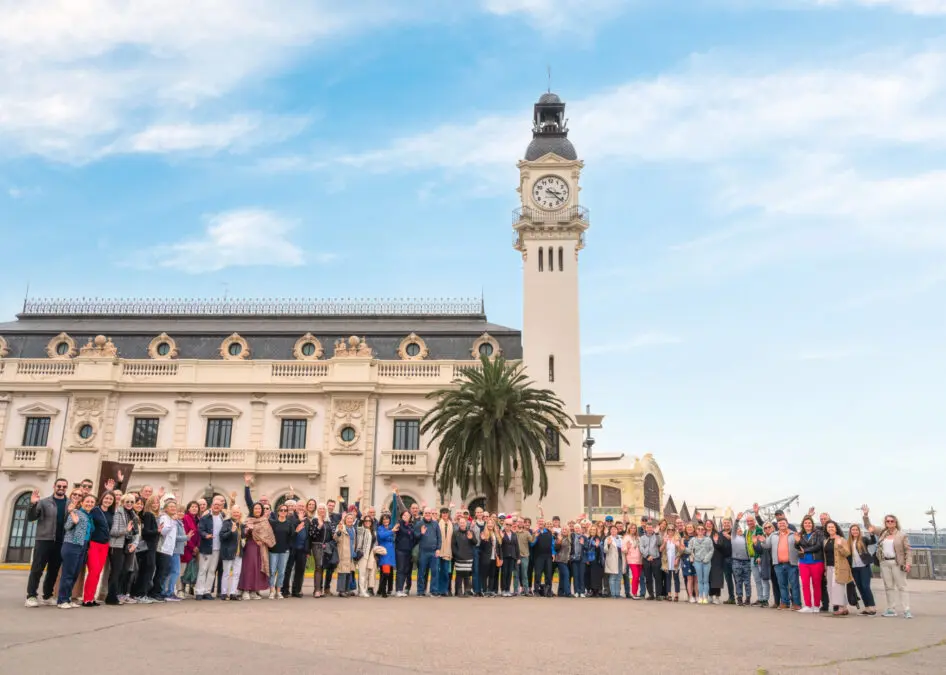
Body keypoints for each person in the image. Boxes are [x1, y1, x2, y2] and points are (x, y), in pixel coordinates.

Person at [25, 478, 70, 607]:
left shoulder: (69, 503)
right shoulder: (44, 502)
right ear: (54, 486)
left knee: (53, 570)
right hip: (44, 540)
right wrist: (33, 504)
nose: (61, 488)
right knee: (37, 569)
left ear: (66, 488)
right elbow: (31, 517)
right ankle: (31, 596)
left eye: (64, 486)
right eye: (59, 486)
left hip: (60, 542)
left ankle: (47, 595)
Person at [862, 505, 912, 618]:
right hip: (884, 563)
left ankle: (906, 609)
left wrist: (908, 563)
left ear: (895, 522)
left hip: (897, 563)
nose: (889, 522)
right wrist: (865, 515)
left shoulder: (901, 535)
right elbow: (869, 527)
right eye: (887, 521)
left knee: (902, 586)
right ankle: (891, 609)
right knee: (888, 586)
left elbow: (908, 550)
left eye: (892, 521)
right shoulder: (882, 532)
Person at [56, 492, 94, 609]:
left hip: (82, 546)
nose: (89, 503)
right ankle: (62, 600)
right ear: (82, 503)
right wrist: (73, 519)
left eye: (92, 502)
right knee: (68, 574)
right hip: (72, 544)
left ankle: (68, 598)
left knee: (74, 573)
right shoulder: (76, 512)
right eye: (87, 501)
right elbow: (67, 527)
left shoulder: (89, 516)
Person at [760, 518, 801, 610]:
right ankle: (785, 603)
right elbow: (767, 546)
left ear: (787, 524)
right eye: (779, 523)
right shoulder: (773, 535)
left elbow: (800, 545)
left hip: (791, 563)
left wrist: (798, 541)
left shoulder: (793, 534)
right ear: (777, 525)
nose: (781, 525)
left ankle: (797, 604)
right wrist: (763, 541)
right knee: (782, 585)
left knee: (794, 585)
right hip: (778, 564)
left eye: (783, 523)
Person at [106, 493, 140, 605]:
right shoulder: (118, 513)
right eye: (127, 502)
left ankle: (118, 595)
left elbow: (136, 533)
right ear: (122, 502)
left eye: (132, 502)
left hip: (129, 546)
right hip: (117, 546)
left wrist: (134, 544)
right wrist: (125, 530)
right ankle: (111, 597)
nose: (129, 504)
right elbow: (112, 532)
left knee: (124, 572)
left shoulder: (134, 515)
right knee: (116, 572)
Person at [82, 491, 114, 607]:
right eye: (106, 498)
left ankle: (92, 598)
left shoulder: (111, 513)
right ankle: (86, 599)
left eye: (111, 499)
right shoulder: (95, 510)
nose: (108, 501)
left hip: (105, 545)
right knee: (93, 571)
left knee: (97, 573)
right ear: (102, 498)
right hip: (94, 544)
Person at [238, 503, 274, 600]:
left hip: (261, 548)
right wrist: (248, 530)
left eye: (259, 508)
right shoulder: (248, 520)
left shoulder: (265, 521)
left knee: (257, 569)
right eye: (255, 508)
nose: (257, 510)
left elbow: (268, 534)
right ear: (252, 510)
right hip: (250, 546)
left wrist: (262, 540)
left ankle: (254, 591)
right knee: (249, 568)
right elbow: (243, 535)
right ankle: (245, 590)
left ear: (261, 510)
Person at [195, 495, 226, 600]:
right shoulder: (205, 518)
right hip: (206, 547)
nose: (216, 506)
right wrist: (205, 535)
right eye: (215, 505)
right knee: (203, 569)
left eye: (219, 505)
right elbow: (200, 530)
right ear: (211, 506)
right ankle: (199, 591)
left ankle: (207, 591)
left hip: (218, 549)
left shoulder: (223, 518)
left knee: (212, 570)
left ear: (221, 506)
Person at [132, 495, 160, 603]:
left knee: (147, 570)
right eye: (153, 502)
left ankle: (141, 594)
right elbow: (146, 532)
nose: (155, 505)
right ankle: (141, 594)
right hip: (148, 548)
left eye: (157, 502)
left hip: (151, 547)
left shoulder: (150, 515)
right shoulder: (149, 515)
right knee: (147, 571)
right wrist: (157, 531)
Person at [795, 515, 825, 613]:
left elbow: (819, 546)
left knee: (816, 585)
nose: (807, 524)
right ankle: (808, 605)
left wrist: (806, 550)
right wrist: (797, 541)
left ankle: (816, 606)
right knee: (805, 584)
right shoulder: (800, 534)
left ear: (812, 524)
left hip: (816, 562)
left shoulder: (818, 533)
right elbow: (797, 547)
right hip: (803, 562)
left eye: (809, 523)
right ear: (803, 525)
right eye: (805, 523)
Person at [822, 520, 852, 616]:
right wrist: (825, 569)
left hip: (839, 567)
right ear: (826, 529)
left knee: (837, 587)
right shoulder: (826, 541)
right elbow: (825, 556)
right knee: (831, 587)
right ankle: (844, 608)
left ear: (836, 528)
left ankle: (840, 608)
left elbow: (847, 553)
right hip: (829, 567)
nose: (830, 529)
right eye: (828, 527)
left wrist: (840, 546)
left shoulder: (841, 539)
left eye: (832, 527)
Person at [847, 523, 878, 616]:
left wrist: (872, 534)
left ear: (859, 531)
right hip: (854, 568)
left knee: (865, 587)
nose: (855, 531)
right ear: (850, 532)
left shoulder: (863, 539)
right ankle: (867, 608)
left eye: (856, 530)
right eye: (853, 530)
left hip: (864, 567)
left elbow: (873, 541)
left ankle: (872, 607)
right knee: (860, 588)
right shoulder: (848, 542)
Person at [153, 499, 179, 602]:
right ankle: (156, 592)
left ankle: (160, 591)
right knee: (160, 572)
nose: (173, 508)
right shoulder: (164, 517)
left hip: (169, 550)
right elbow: (163, 532)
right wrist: (172, 522)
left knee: (164, 572)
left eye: (174, 506)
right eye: (170, 507)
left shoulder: (173, 519)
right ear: (166, 509)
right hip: (162, 549)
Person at [219, 504, 245, 601]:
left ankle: (233, 593)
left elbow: (242, 537)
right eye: (234, 512)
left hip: (239, 552)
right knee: (226, 573)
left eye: (237, 512)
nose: (236, 514)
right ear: (231, 513)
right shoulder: (227, 523)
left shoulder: (241, 524)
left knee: (236, 573)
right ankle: (224, 593)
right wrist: (231, 531)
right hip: (228, 552)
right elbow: (222, 536)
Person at [414, 508, 442, 597]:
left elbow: (439, 538)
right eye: (426, 513)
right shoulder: (419, 524)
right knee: (421, 572)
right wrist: (421, 533)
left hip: (434, 552)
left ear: (431, 514)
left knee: (435, 572)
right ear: (423, 514)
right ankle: (420, 591)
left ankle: (434, 591)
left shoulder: (435, 524)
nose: (428, 514)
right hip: (423, 552)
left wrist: (438, 549)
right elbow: (415, 537)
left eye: (429, 513)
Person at [267, 503, 293, 599]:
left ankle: (279, 591)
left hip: (284, 551)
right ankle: (271, 591)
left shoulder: (289, 524)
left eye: (285, 510)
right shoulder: (273, 523)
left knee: (281, 572)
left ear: (287, 512)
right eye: (281, 510)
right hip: (273, 550)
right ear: (278, 512)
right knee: (272, 571)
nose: (283, 512)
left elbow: (291, 537)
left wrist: (288, 548)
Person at [284, 502, 309, 598]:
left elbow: (308, 536)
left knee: (300, 570)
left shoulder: (307, 520)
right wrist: (299, 520)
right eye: (299, 506)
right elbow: (290, 530)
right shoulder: (290, 518)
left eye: (303, 506)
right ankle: (285, 590)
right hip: (292, 548)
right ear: (295, 507)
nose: (301, 508)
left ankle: (296, 590)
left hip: (302, 549)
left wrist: (307, 550)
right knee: (288, 569)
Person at [308, 504, 333, 598]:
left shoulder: (328, 522)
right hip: (317, 546)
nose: (322, 510)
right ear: (317, 510)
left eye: (323, 509)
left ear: (326, 510)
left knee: (322, 567)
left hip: (326, 546)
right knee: (318, 566)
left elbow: (330, 535)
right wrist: (319, 526)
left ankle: (319, 589)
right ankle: (317, 590)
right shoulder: (314, 521)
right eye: (320, 509)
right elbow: (312, 534)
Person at [687, 523, 714, 604]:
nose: (700, 531)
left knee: (706, 580)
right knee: (699, 580)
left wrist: (706, 558)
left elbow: (711, 550)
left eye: (702, 529)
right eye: (698, 529)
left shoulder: (708, 539)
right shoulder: (692, 540)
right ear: (696, 530)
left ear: (704, 531)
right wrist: (682, 548)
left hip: (706, 562)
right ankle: (700, 597)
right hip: (697, 562)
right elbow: (689, 550)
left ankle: (705, 597)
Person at [730, 513, 752, 606]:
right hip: (736, 561)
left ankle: (748, 598)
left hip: (747, 562)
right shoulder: (733, 537)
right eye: (737, 529)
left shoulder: (746, 538)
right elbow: (734, 528)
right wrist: (737, 520)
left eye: (740, 529)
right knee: (738, 581)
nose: (739, 530)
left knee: (747, 581)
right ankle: (739, 598)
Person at [179, 501, 201, 596]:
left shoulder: (198, 519)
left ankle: (190, 587)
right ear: (188, 508)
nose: (194, 508)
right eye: (192, 506)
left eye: (196, 507)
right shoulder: (186, 518)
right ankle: (181, 589)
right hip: (186, 547)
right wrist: (192, 547)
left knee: (191, 569)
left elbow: (199, 534)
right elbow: (186, 534)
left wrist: (197, 547)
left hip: (195, 548)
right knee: (183, 569)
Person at [393, 508, 416, 597]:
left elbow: (414, 536)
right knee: (400, 570)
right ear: (402, 516)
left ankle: (401, 589)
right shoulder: (399, 524)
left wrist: (421, 534)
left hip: (408, 551)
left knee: (405, 571)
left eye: (408, 516)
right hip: (400, 551)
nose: (406, 517)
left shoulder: (410, 525)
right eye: (404, 515)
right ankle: (398, 590)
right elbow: (402, 532)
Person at [452, 516, 477, 596]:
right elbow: (453, 545)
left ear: (466, 523)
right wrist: (457, 554)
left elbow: (475, 542)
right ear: (459, 523)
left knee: (467, 575)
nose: (462, 524)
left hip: (468, 557)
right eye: (461, 522)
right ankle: (458, 591)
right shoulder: (455, 532)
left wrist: (471, 538)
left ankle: (467, 590)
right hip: (459, 557)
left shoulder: (470, 532)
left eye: (463, 522)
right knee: (459, 574)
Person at [335, 513, 357, 597]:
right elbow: (335, 538)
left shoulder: (353, 529)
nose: (350, 520)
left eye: (351, 519)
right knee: (342, 572)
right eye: (348, 518)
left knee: (349, 572)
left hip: (351, 553)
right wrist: (339, 532)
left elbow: (353, 542)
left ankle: (347, 589)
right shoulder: (341, 527)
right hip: (343, 553)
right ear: (345, 520)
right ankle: (341, 591)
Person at [639, 521, 662, 600]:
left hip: (656, 559)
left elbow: (660, 543)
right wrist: (647, 556)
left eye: (651, 527)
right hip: (646, 559)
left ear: (653, 528)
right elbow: (641, 548)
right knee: (648, 578)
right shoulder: (642, 538)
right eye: (648, 528)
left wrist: (657, 534)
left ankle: (658, 595)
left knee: (657, 577)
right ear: (645, 529)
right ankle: (651, 594)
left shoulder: (656, 536)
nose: (649, 529)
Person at [375, 513, 396, 597]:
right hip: (384, 553)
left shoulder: (391, 528)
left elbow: (393, 538)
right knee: (385, 572)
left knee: (390, 573)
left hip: (391, 553)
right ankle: (383, 591)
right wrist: (391, 531)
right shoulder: (380, 528)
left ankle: (383, 590)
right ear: (381, 521)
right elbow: (381, 536)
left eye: (387, 519)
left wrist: (392, 531)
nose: (385, 521)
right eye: (384, 519)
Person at [478, 518, 499, 596]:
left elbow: (498, 545)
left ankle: (490, 590)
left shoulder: (495, 533)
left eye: (492, 523)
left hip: (494, 557)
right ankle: (484, 590)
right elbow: (481, 548)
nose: (490, 524)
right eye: (489, 523)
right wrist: (483, 540)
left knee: (492, 575)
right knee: (484, 575)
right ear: (487, 525)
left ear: (494, 525)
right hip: (486, 558)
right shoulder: (483, 533)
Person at [500, 518, 520, 596]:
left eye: (510, 525)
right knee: (504, 573)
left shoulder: (514, 534)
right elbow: (500, 546)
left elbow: (516, 546)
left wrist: (518, 557)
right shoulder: (501, 533)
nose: (508, 526)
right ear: (504, 525)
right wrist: (501, 538)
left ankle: (508, 589)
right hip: (504, 556)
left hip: (512, 556)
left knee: (509, 573)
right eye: (507, 524)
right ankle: (503, 590)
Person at [679, 522, 696, 603]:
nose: (689, 528)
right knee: (689, 579)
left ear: (693, 528)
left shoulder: (697, 537)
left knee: (696, 579)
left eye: (691, 527)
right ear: (685, 529)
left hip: (696, 560)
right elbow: (681, 550)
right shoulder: (683, 538)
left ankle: (697, 595)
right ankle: (690, 596)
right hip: (686, 560)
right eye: (688, 527)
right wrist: (681, 547)